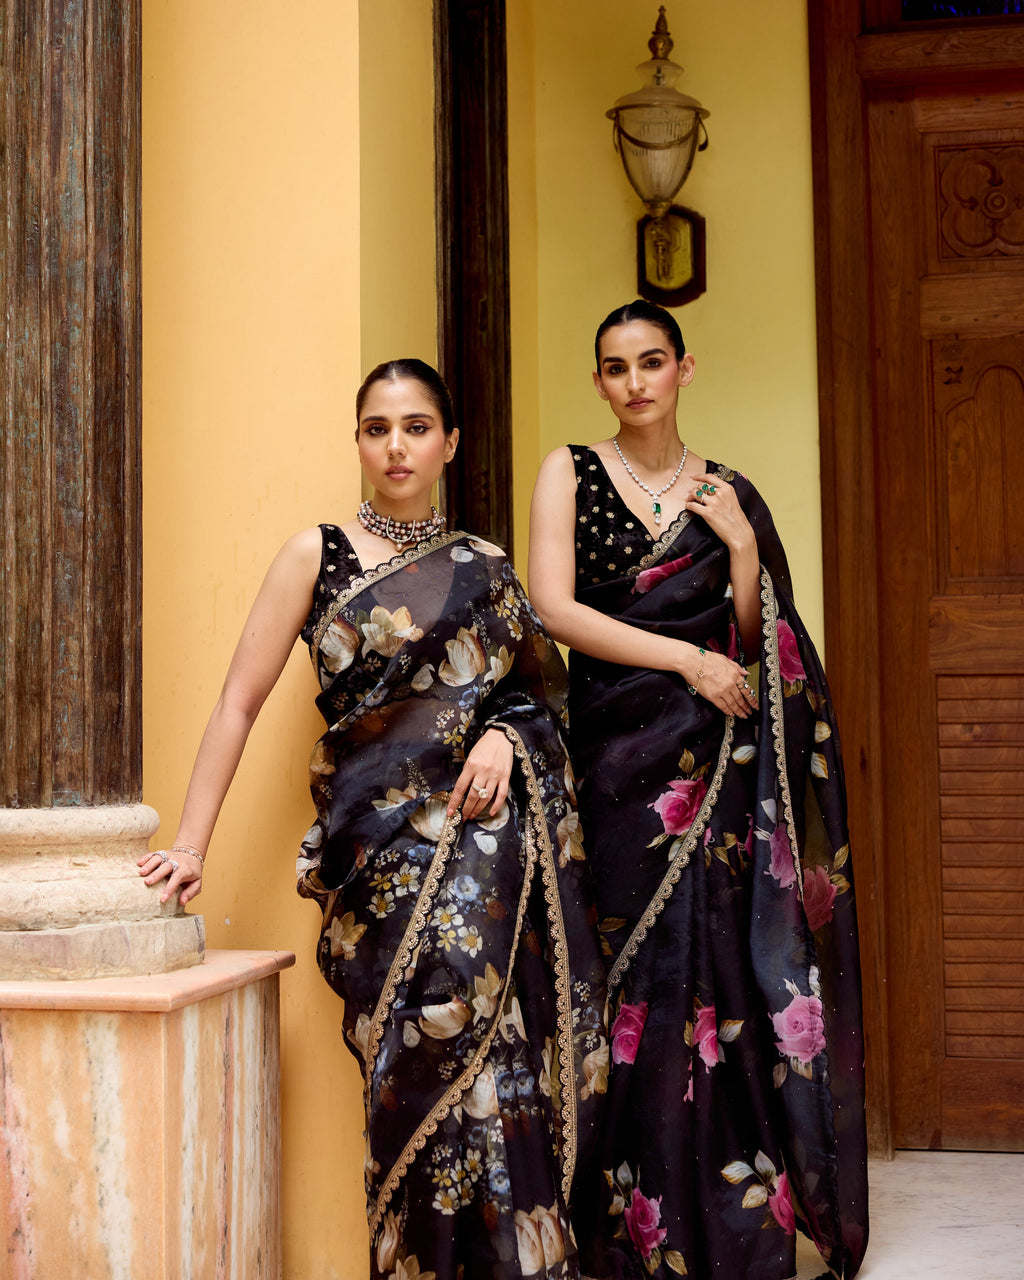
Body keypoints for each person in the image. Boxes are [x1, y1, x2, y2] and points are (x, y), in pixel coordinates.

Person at [139, 358, 608, 1280]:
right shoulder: (317, 554)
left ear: (450, 443)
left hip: (486, 854)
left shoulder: (486, 568)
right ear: (357, 439)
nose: (396, 446)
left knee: (494, 1045)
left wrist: (507, 741)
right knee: (414, 1066)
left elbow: (540, 700)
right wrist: (190, 844)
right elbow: (238, 702)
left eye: (417, 426)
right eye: (377, 427)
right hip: (377, 861)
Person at [528, 302, 868, 1280]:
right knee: (629, 976)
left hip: (716, 769)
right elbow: (553, 607)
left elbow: (767, 640)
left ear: (683, 368)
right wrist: (683, 657)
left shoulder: (730, 491)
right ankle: (628, 1223)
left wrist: (745, 551)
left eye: (650, 361)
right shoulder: (571, 470)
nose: (633, 380)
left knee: (719, 972)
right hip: (616, 763)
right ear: (598, 380)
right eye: (614, 366)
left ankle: (732, 1221)